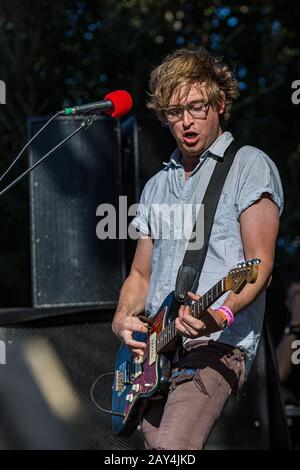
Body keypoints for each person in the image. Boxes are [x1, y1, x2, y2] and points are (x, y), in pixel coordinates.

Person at [112, 47, 284, 450]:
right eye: (174, 112)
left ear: (219, 103)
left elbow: (260, 263)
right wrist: (122, 318)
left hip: (217, 345)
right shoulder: (156, 185)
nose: (186, 121)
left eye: (196, 106)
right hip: (156, 353)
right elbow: (141, 274)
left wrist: (220, 313)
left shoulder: (248, 165)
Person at [276, 271, 300, 403]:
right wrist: (293, 326)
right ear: (287, 303)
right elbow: (279, 374)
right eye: (296, 296)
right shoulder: (281, 331)